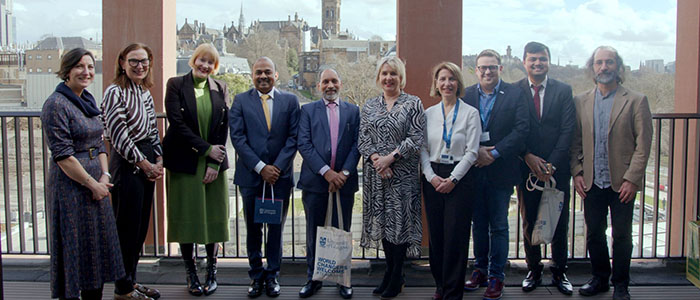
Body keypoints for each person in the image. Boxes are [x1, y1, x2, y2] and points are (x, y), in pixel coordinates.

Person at [41, 48, 125, 300]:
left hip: (96, 184)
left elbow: (100, 143)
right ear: (66, 71)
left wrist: (105, 176)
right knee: (74, 248)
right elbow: (63, 156)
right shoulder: (56, 104)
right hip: (71, 187)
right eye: (79, 66)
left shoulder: (87, 99)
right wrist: (93, 185)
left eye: (90, 66)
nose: (86, 71)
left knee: (95, 251)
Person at [570, 46, 652, 300]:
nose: (604, 67)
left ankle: (621, 284)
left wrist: (632, 179)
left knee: (622, 235)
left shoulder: (636, 100)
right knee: (594, 232)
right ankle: (600, 278)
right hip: (592, 181)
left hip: (622, 183)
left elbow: (644, 144)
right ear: (592, 68)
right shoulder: (580, 101)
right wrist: (577, 172)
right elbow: (575, 142)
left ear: (618, 66)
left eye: (609, 62)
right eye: (599, 63)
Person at [162, 43, 230, 296]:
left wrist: (214, 162)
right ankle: (191, 273)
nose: (205, 66)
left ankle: (212, 271)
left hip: (212, 162)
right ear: (193, 60)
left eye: (210, 63)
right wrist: (205, 150)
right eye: (202, 60)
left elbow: (223, 128)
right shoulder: (176, 85)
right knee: (186, 216)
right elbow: (176, 124)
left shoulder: (220, 87)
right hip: (185, 161)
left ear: (215, 66)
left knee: (213, 217)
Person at [229, 57, 300, 298]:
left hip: (279, 179)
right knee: (253, 228)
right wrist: (261, 167)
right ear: (252, 75)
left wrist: (276, 168)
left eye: (267, 72)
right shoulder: (240, 101)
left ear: (276, 75)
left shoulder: (290, 101)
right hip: (251, 177)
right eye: (258, 72)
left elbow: (293, 138)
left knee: (276, 229)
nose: (263, 76)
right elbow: (238, 139)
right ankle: (256, 275)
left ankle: (273, 275)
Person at [462, 49, 529, 300]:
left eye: (492, 67)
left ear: (500, 69)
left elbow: (521, 129)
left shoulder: (515, 94)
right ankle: (479, 269)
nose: (487, 71)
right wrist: (476, 152)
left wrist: (495, 152)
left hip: (501, 170)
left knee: (499, 225)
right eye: (482, 67)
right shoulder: (466, 95)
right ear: (476, 70)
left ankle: (496, 276)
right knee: (478, 224)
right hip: (474, 168)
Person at [358, 56, 425, 300]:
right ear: (379, 77)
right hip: (377, 177)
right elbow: (363, 138)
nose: (389, 78)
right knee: (385, 226)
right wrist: (378, 160)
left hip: (403, 177)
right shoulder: (369, 106)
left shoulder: (413, 103)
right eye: (385, 73)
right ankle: (390, 272)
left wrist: (391, 158)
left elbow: (416, 137)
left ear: (401, 77)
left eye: (393, 74)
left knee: (400, 227)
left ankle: (397, 275)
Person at [102, 42, 164, 300]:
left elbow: (151, 130)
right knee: (125, 228)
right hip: (127, 164)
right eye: (134, 61)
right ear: (122, 63)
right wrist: (144, 164)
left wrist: (159, 158)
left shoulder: (144, 92)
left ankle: (132, 281)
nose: (139, 66)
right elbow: (118, 135)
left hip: (147, 159)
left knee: (139, 228)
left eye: (144, 61)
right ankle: (122, 289)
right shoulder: (115, 92)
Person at [516, 42, 575, 295]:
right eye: (532, 59)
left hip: (556, 169)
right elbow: (513, 128)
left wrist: (551, 163)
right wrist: (527, 156)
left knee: (559, 220)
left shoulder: (563, 90)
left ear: (548, 61)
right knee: (529, 220)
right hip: (526, 167)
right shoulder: (515, 90)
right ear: (524, 62)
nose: (537, 63)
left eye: (542, 59)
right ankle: (534, 269)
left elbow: (567, 130)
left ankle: (560, 271)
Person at [297, 68, 360, 299]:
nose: (330, 85)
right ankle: (313, 279)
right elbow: (304, 144)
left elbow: (357, 145)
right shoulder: (308, 111)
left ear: (340, 84)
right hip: (316, 182)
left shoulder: (353, 111)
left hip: (344, 182)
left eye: (334, 81)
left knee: (342, 231)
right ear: (319, 86)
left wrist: (342, 173)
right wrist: (326, 173)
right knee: (315, 232)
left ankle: (343, 279)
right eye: (325, 82)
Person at [420, 62, 480, 300]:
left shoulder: (470, 113)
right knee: (436, 236)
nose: (447, 83)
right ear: (436, 83)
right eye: (442, 79)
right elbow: (422, 148)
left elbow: (472, 152)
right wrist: (431, 176)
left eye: (452, 79)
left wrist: (453, 179)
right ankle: (440, 285)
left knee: (456, 235)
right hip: (432, 176)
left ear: (459, 83)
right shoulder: (428, 114)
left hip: (461, 177)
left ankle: (453, 292)